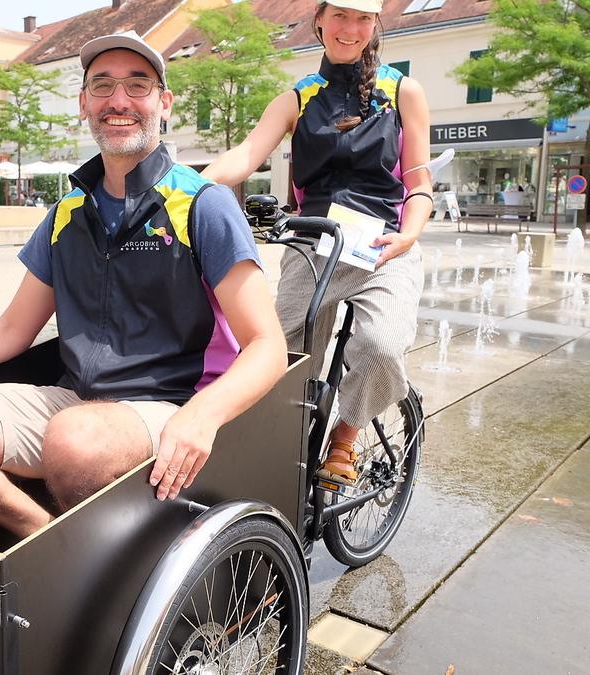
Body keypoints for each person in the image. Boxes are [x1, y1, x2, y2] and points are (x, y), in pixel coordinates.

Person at [0, 32, 287, 538]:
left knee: (72, 441)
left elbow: (268, 346)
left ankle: (81, 555)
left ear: (164, 102)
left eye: (138, 85)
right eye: (103, 86)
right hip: (76, 405)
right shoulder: (66, 214)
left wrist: (202, 416)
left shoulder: (203, 204)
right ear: (84, 104)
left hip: (170, 405)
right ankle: (41, 534)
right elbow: (11, 330)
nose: (118, 101)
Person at [201, 0, 432, 485]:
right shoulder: (298, 98)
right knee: (275, 360)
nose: (350, 29)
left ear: (374, 25)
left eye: (363, 19)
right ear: (320, 20)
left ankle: (346, 436)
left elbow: (418, 179)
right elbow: (246, 153)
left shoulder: (402, 91)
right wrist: (186, 186)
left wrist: (411, 232)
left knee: (381, 347)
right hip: (314, 245)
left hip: (383, 246)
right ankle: (276, 455)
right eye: (341, 17)